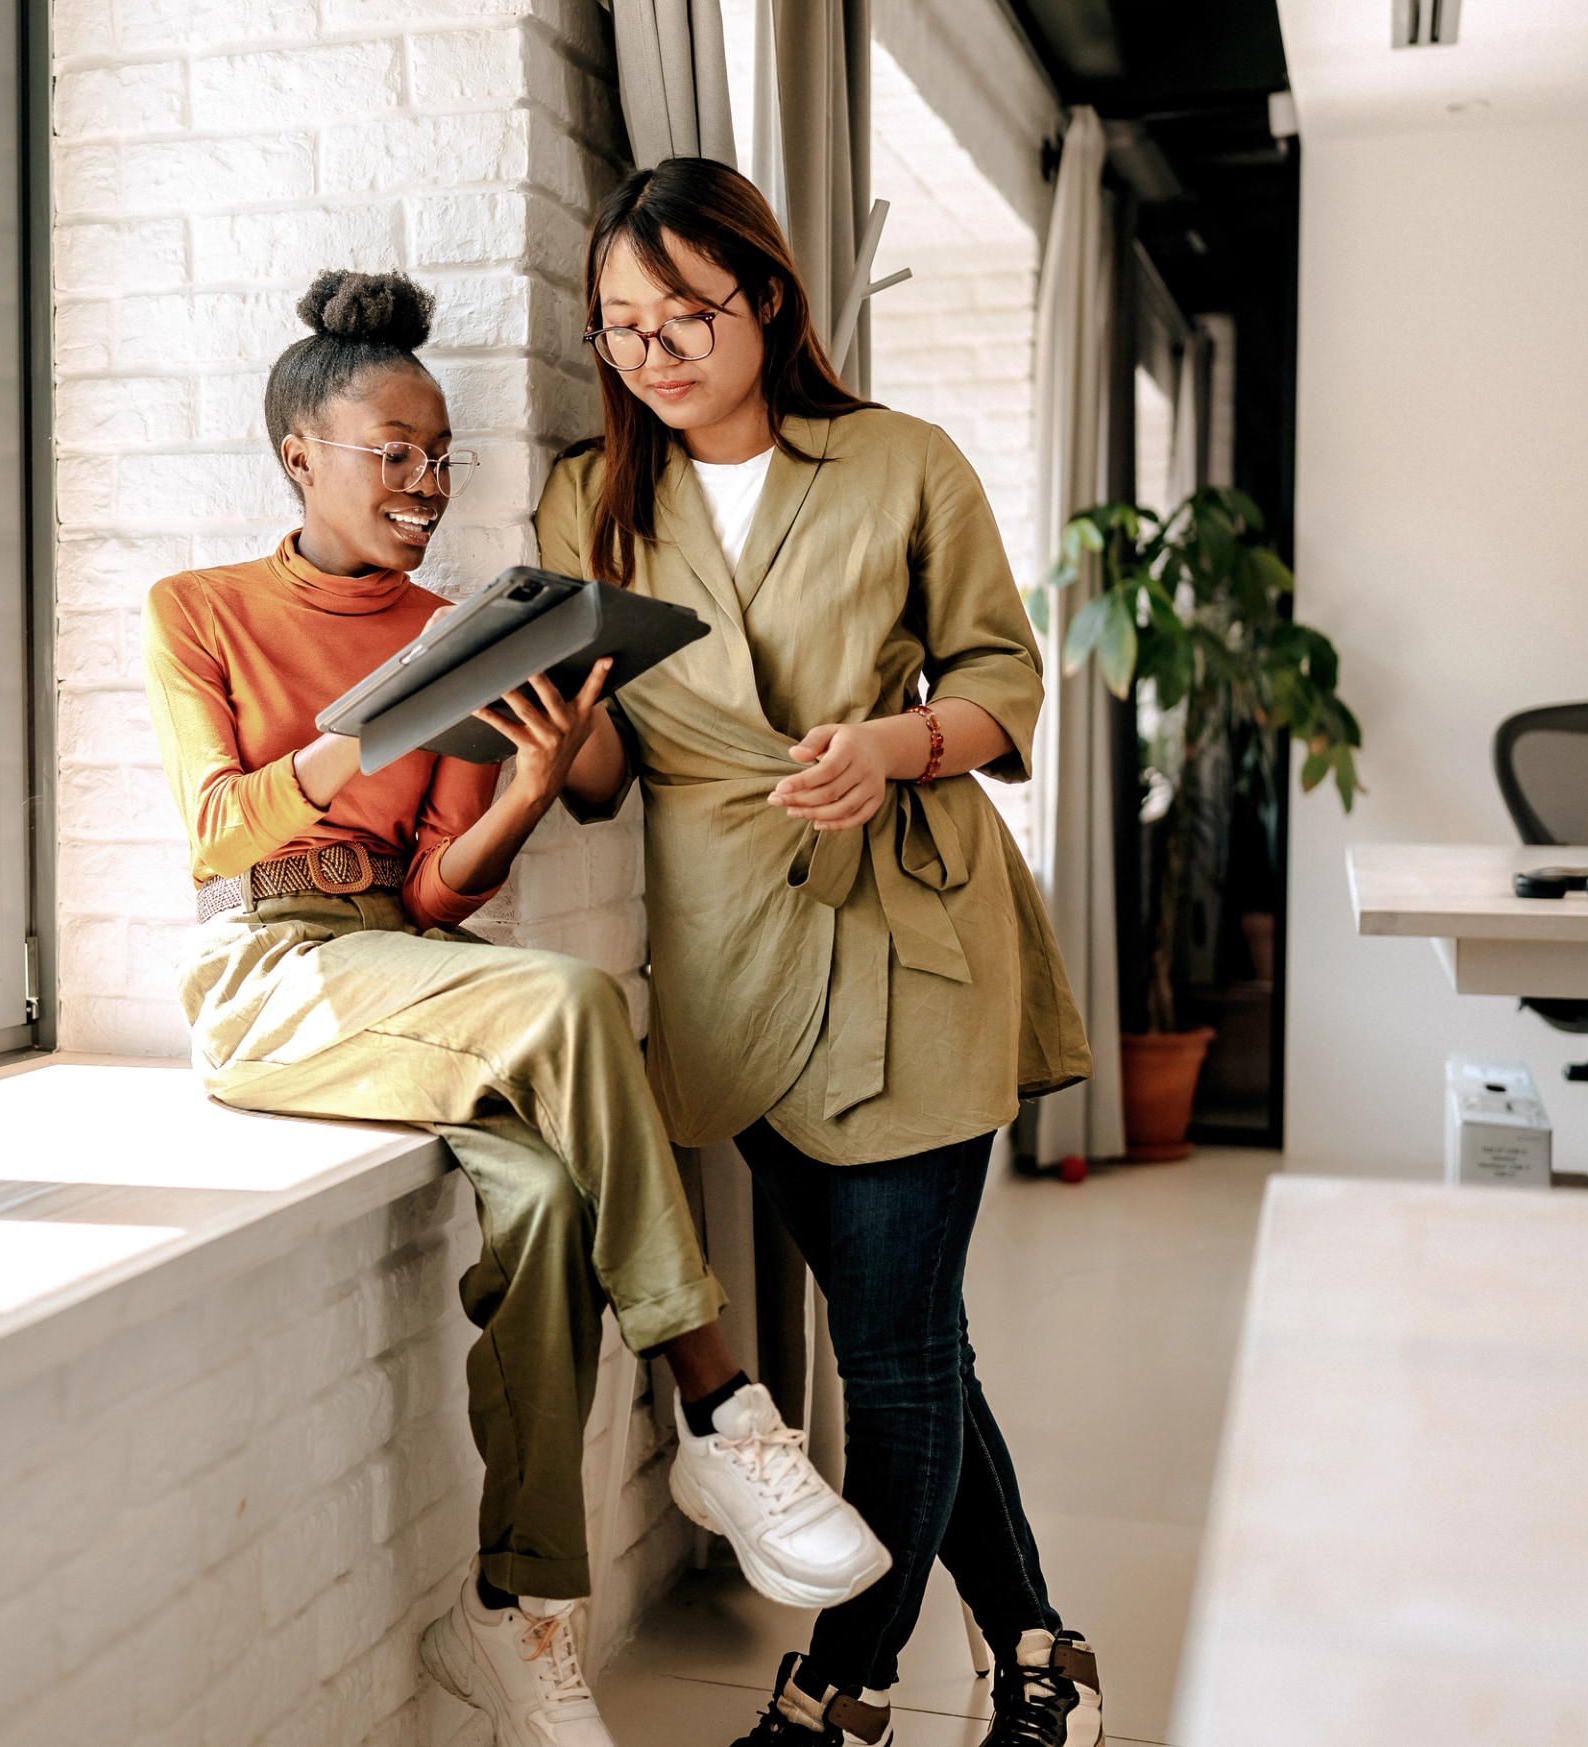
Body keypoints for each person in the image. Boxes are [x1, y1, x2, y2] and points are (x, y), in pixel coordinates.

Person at [141, 269, 890, 1747]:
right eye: (393, 455)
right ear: (301, 454)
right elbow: (216, 825)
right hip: (273, 972)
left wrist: (531, 788)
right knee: (567, 997)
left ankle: (523, 1610)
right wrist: (359, 737)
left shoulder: (456, 626)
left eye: (440, 459)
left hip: (409, 971)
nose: (424, 484)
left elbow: (435, 901)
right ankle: (721, 1403)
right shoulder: (196, 609)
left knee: (547, 1201)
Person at [536, 161, 1106, 1747]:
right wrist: (543, 742)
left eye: (687, 315)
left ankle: (838, 1693)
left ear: (768, 300)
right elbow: (606, 779)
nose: (654, 351)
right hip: (730, 952)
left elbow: (1008, 683)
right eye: (622, 326)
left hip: (907, 926)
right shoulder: (592, 499)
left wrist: (902, 744)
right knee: (916, 1339)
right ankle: (1044, 1651)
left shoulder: (899, 462)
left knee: (894, 1352)